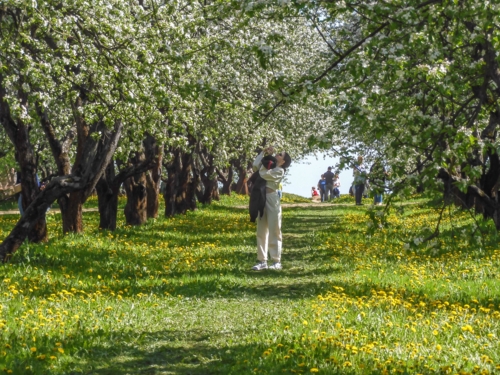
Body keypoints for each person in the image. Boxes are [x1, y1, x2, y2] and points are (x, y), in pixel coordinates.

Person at [251, 146, 292, 271]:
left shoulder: (279, 170)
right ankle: (262, 261)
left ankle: (276, 261)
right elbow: (255, 166)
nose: (277, 155)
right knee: (261, 230)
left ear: (283, 161)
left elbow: (263, 174)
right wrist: (263, 153)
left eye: (280, 154)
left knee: (275, 229)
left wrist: (265, 162)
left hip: (272, 199)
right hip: (261, 197)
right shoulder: (269, 164)